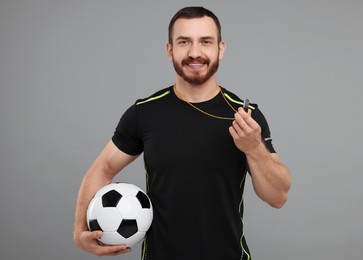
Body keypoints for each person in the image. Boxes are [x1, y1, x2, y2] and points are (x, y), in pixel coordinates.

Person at [73, 6, 291, 260]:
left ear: (221, 48)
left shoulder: (246, 116)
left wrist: (254, 148)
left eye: (205, 42)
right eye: (184, 42)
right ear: (170, 50)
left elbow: (278, 196)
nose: (195, 53)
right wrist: (80, 230)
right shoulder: (144, 113)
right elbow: (102, 168)